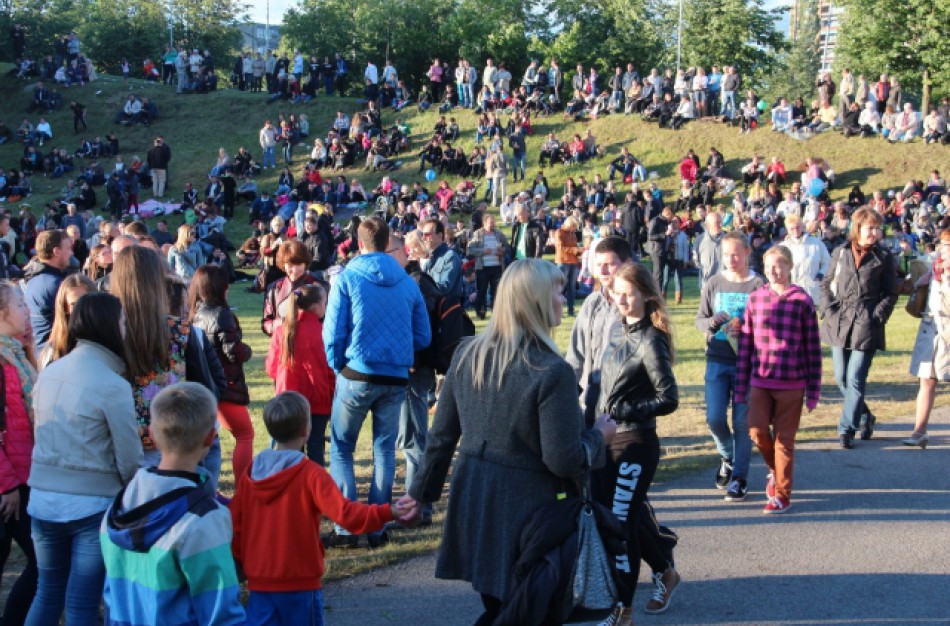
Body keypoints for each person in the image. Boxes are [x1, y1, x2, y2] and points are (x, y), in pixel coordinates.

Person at [399, 259, 615, 624]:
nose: (565, 298)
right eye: (558, 291)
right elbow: (563, 459)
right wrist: (599, 437)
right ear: (537, 300)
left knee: (502, 606)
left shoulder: (468, 354)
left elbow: (441, 438)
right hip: (530, 513)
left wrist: (421, 494)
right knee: (528, 610)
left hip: (476, 501)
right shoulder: (552, 371)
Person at [231, 392, 409, 625]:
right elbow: (346, 514)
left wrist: (241, 560)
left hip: (260, 582)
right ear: (306, 430)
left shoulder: (252, 474)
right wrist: (387, 512)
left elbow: (234, 523)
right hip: (300, 582)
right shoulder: (310, 474)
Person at [26, 292, 142, 625]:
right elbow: (129, 457)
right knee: (81, 604)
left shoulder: (49, 372)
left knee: (47, 593)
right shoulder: (112, 385)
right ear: (110, 326)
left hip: (42, 499)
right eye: (123, 322)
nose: (126, 329)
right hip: (90, 504)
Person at [323, 218, 430, 548]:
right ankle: (377, 527)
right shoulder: (408, 283)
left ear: (359, 244)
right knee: (384, 449)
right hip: (394, 376)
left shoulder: (348, 277)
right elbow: (423, 336)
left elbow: (333, 332)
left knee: (342, 447)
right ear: (387, 244)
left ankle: (347, 528)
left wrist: (338, 365)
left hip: (357, 372)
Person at [101, 382, 245, 625]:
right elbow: (221, 614)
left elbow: (112, 597)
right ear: (210, 438)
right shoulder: (205, 519)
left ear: (152, 434)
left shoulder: (118, 508)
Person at [595, 262, 678, 625]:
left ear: (645, 294)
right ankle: (665, 571)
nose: (622, 299)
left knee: (621, 524)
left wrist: (627, 410)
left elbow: (668, 398)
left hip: (636, 442)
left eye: (629, 293)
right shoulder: (616, 329)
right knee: (621, 517)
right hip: (605, 441)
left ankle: (622, 608)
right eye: (617, 293)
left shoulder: (651, 339)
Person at [735, 246, 822, 514]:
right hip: (760, 380)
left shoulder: (802, 300)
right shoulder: (755, 299)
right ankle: (775, 470)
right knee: (756, 430)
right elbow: (746, 346)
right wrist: (740, 388)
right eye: (769, 266)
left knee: (784, 441)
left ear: (789, 267)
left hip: (792, 383)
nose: (774, 271)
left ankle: (782, 494)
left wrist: (813, 391)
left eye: (779, 265)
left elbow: (812, 348)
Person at [819, 208, 898, 449]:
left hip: (866, 322)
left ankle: (846, 429)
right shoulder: (841, 252)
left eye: (877, 228)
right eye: (870, 227)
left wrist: (877, 316)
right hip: (840, 320)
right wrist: (829, 310)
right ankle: (865, 416)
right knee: (841, 378)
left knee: (855, 378)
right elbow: (825, 284)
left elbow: (891, 292)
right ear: (858, 228)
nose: (875, 232)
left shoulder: (884, 257)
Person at [695, 231, 765, 501]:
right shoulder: (714, 282)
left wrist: (746, 328)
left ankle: (739, 478)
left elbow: (768, 324)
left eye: (736, 254)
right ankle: (727, 457)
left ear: (747, 252)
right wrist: (713, 322)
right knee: (714, 418)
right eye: (726, 255)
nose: (731, 259)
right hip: (717, 359)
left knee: (741, 422)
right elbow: (700, 320)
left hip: (747, 363)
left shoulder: (758, 284)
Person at [188, 265, 255, 483]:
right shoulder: (221, 314)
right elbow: (233, 352)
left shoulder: (195, 314)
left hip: (207, 383)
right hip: (226, 385)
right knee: (245, 434)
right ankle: (243, 485)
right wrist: (247, 350)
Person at [0, 281, 39, 625]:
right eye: (20, 305)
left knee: (41, 563)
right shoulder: (3, 361)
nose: (26, 311)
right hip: (9, 486)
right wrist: (7, 484)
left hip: (23, 476)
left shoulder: (16, 354)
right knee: (42, 564)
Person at [265, 284, 335, 466]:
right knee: (316, 447)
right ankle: (315, 482)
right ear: (316, 306)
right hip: (317, 399)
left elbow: (271, 368)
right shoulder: (323, 332)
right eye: (325, 302)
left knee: (289, 449)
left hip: (288, 398)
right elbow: (331, 369)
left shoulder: (282, 331)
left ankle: (290, 479)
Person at [904, 230, 950, 448]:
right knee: (927, 379)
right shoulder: (934, 267)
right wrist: (921, 283)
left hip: (947, 330)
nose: (944, 249)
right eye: (943, 244)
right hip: (930, 328)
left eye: (948, 245)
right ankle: (919, 430)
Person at [24, 229, 73, 347]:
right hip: (53, 350)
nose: (71, 253)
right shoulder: (54, 284)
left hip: (41, 348)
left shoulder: (34, 279)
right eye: (68, 248)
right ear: (56, 251)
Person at [261, 239, 318, 336]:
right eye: (290, 265)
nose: (295, 270)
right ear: (283, 265)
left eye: (299, 264)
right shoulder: (274, 288)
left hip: (311, 339)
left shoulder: (318, 286)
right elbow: (266, 322)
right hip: (282, 339)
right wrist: (281, 324)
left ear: (305, 263)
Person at [38, 273, 95, 368]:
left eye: (85, 302)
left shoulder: (109, 339)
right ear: (65, 308)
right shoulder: (55, 350)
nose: (80, 308)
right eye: (73, 304)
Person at [467, 214, 509, 320]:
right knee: (482, 291)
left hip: (497, 267)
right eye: (490, 223)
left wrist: (502, 252)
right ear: (484, 223)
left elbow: (507, 247)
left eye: (493, 222)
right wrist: (483, 251)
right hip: (483, 268)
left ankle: (496, 313)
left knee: (496, 291)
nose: (492, 224)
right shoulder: (477, 234)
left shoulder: (499, 234)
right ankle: (481, 312)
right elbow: (470, 249)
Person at [783, 215, 831, 304]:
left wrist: (821, 274)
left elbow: (827, 262)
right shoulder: (784, 247)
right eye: (792, 229)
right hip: (791, 291)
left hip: (812, 289)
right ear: (787, 230)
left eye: (797, 227)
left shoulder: (816, 243)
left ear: (802, 226)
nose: (795, 231)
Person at [420, 218, 463, 305]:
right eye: (422, 234)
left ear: (439, 235)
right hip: (433, 308)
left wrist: (422, 283)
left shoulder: (450, 256)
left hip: (446, 309)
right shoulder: (429, 258)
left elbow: (444, 287)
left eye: (427, 234)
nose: (423, 238)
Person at [553, 216, 582, 317]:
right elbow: (560, 247)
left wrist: (580, 252)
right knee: (560, 286)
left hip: (573, 261)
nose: (575, 229)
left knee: (572, 287)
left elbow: (574, 246)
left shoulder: (572, 233)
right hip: (563, 261)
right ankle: (556, 309)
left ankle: (571, 310)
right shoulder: (559, 232)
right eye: (574, 226)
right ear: (570, 224)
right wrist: (575, 250)